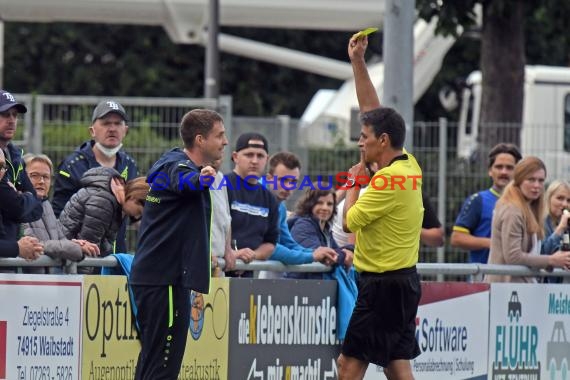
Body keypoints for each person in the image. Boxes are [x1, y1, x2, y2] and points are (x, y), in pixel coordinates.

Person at [337, 33, 423, 380]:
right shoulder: (408, 164)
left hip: (382, 286)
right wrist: (358, 62)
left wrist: (356, 183)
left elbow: (349, 223)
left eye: (365, 138)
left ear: (382, 141)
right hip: (403, 283)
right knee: (396, 364)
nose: (361, 142)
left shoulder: (385, 181)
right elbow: (375, 114)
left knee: (348, 365)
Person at [130, 109, 227, 379]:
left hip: (161, 280)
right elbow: (184, 181)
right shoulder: (178, 166)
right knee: (163, 367)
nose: (225, 141)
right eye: (220, 135)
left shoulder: (171, 162)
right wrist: (201, 179)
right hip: (164, 282)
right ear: (200, 140)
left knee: (153, 362)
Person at [51, 100, 139, 252]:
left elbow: (135, 213)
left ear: (125, 130)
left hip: (116, 256)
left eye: (118, 123)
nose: (112, 129)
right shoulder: (72, 165)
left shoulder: (130, 165)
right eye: (106, 123)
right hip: (78, 257)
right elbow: (59, 216)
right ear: (92, 131)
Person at [485, 157, 570, 283]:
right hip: (505, 289)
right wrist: (551, 260)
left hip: (522, 288)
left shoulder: (529, 208)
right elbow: (513, 257)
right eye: (531, 180)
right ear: (519, 180)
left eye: (541, 181)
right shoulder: (512, 210)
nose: (536, 185)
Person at [21, 154, 99, 272]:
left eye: (46, 177)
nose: (41, 181)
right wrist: (75, 248)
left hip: (49, 280)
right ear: (22, 178)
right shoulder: (19, 205)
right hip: (25, 281)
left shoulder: (46, 205)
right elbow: (34, 245)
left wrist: (74, 243)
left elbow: (59, 239)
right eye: (34, 176)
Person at [263, 152, 337, 277]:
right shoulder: (260, 201)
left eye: (293, 181)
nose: (288, 186)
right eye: (283, 180)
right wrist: (311, 255)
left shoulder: (280, 206)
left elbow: (288, 243)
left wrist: (316, 252)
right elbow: (269, 248)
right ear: (269, 178)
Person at [451, 143, 522, 263]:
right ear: (490, 171)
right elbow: (457, 238)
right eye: (499, 167)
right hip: (483, 277)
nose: (504, 172)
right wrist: (492, 243)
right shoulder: (478, 200)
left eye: (509, 168)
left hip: (517, 278)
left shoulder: (526, 203)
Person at [59, 167, 148, 259]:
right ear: (133, 197)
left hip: (69, 253)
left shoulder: (117, 201)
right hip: (65, 258)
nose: (136, 216)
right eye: (139, 212)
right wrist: (83, 274)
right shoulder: (104, 202)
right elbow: (89, 249)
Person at [224, 132, 279, 277]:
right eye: (249, 155)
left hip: (247, 279)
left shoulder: (270, 199)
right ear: (235, 157)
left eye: (260, 156)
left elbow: (270, 243)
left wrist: (251, 256)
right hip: (215, 275)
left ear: (267, 159)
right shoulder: (220, 187)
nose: (255, 161)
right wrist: (232, 254)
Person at [289, 186, 353, 279]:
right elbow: (322, 255)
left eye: (329, 204)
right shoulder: (302, 226)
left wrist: (350, 249)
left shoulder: (325, 228)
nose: (325, 208)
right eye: (320, 203)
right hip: (298, 287)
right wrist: (346, 254)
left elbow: (335, 250)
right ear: (309, 204)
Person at [0, 149, 43, 260]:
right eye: (34, 175)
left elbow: (36, 210)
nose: (1, 172)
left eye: (2, 167)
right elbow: (19, 208)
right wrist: (17, 248)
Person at [210, 158, 236, 276]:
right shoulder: (191, 178)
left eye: (220, 156)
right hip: (200, 263)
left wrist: (228, 248)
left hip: (218, 265)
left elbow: (227, 217)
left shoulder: (219, 178)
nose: (216, 160)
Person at [541, 180, 570, 283]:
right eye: (560, 198)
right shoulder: (540, 221)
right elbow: (543, 252)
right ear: (549, 198)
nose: (565, 204)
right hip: (544, 285)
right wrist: (560, 228)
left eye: (568, 200)